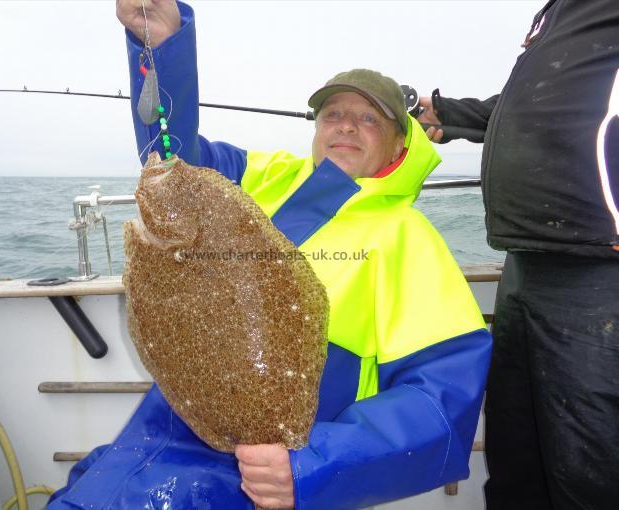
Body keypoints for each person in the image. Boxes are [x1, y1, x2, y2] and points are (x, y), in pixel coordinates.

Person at [47, 1, 491, 508]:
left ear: (398, 146)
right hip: (160, 428)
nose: (346, 126)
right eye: (333, 115)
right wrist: (164, 45)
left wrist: (310, 464)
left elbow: (441, 398)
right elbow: (170, 161)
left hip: (267, 465)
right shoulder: (262, 176)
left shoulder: (409, 237)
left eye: (369, 118)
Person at [417, 1, 619, 509]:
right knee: (515, 453)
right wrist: (444, 113)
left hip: (599, 272)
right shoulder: (559, 14)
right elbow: (534, 104)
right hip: (524, 265)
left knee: (589, 471)